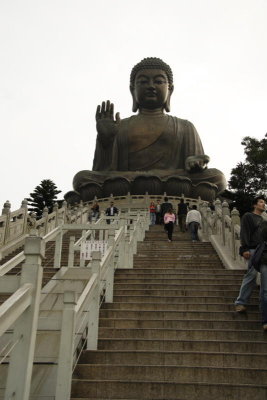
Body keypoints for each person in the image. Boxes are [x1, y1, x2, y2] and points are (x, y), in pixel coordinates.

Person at [66, 57, 226, 204]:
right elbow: (103, 172)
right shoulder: (120, 126)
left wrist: (196, 164)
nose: (151, 86)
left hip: (173, 181)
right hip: (129, 181)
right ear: (132, 90)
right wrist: (106, 140)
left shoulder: (184, 126)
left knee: (217, 177)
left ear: (170, 90)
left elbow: (196, 167)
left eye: (158, 81)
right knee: (81, 178)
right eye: (143, 82)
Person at [234, 196, 266, 313]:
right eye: (261, 202)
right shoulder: (248, 216)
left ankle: (263, 306)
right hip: (252, 250)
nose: (264, 204)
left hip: (264, 251)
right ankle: (240, 302)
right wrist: (245, 249)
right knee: (251, 275)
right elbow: (244, 233)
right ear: (255, 205)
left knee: (265, 279)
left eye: (264, 202)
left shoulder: (263, 220)